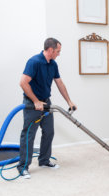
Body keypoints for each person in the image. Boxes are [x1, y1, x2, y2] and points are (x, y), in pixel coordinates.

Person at [18, 38, 77, 179]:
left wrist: (69, 101)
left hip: (46, 103)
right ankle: (22, 167)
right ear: (50, 50)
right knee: (29, 135)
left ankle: (44, 160)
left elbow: (59, 83)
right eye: (58, 51)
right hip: (33, 104)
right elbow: (23, 83)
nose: (59, 54)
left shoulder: (53, 64)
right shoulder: (34, 62)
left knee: (49, 132)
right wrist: (35, 101)